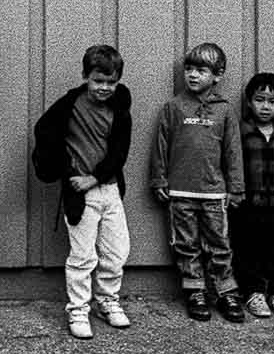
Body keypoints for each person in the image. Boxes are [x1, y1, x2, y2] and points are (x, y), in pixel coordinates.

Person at [30, 44, 133, 339]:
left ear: (118, 81)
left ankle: (108, 301)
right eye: (97, 81)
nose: (103, 88)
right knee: (82, 256)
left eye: (110, 82)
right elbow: (45, 132)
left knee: (116, 253)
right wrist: (68, 171)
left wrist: (95, 178)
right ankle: (78, 309)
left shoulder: (120, 109)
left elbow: (119, 152)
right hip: (81, 196)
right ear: (86, 76)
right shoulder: (69, 105)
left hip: (110, 190)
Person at [148, 43, 245, 322]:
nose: (192, 75)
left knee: (219, 244)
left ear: (217, 75)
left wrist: (236, 187)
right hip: (180, 192)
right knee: (186, 244)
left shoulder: (224, 110)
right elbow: (160, 146)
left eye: (201, 70)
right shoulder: (173, 107)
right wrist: (159, 180)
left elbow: (233, 151)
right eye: (188, 69)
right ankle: (195, 291)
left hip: (214, 193)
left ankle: (226, 292)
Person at [231, 72, 274, 319]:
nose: (265, 106)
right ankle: (253, 292)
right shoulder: (241, 132)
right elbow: (232, 164)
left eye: (272, 102)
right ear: (250, 101)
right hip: (247, 204)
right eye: (259, 99)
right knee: (247, 249)